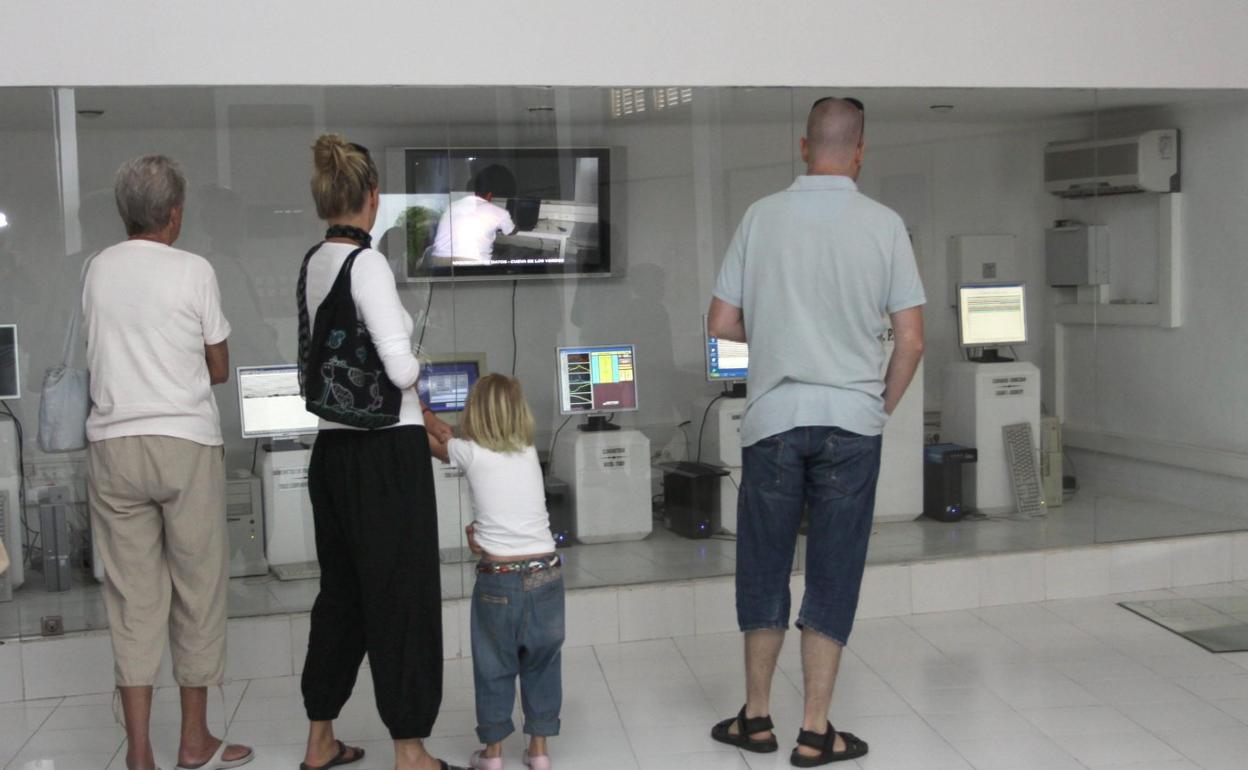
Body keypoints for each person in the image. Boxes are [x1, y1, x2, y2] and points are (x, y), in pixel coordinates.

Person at [707, 97, 926, 767]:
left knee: (764, 566)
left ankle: (756, 718)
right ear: (860, 151)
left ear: (804, 148)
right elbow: (912, 341)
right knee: (834, 571)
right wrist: (876, 408)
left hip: (773, 420)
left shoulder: (760, 216)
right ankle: (814, 729)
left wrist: (777, 340)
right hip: (852, 421)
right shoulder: (885, 225)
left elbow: (720, 322)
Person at [297, 134, 462, 770]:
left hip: (334, 453)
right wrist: (418, 371)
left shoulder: (314, 261)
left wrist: (422, 416)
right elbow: (397, 369)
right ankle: (411, 749)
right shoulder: (367, 265)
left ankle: (320, 738)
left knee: (341, 598)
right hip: (385, 464)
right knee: (403, 599)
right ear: (372, 197)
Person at [84, 155, 253, 770]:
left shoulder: (98, 269)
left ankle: (138, 752)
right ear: (175, 214)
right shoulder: (195, 270)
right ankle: (194, 740)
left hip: (113, 446)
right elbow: (219, 368)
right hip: (184, 444)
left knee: (132, 601)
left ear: (124, 212)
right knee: (196, 591)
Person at [428, 375, 564, 770]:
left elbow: (431, 441)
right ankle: (539, 751)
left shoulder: (468, 452)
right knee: (542, 662)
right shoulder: (527, 451)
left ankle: (492, 755)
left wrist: (422, 412)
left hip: (499, 578)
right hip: (547, 573)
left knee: (494, 665)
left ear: (475, 411)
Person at [430, 164, 518, 263]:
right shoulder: (500, 212)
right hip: (471, 263)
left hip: (438, 261)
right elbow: (511, 232)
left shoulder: (452, 205)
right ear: (490, 195)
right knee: (512, 256)